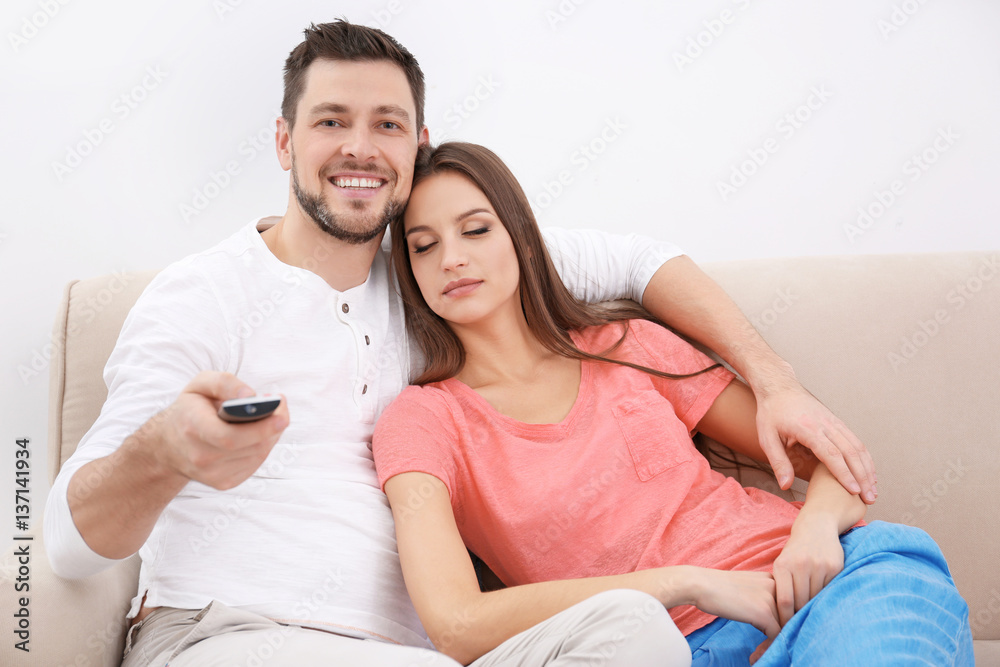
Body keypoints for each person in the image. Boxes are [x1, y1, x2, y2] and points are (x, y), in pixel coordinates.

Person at [44, 19, 873, 666]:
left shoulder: (434, 276)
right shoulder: (204, 294)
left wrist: (773, 379)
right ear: (284, 142)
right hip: (227, 633)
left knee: (639, 636)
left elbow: (638, 259)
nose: (360, 148)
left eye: (387, 124)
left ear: (417, 145)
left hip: (415, 649)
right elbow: (64, 543)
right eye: (331, 121)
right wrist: (166, 452)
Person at [372, 141, 974, 666]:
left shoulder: (626, 342)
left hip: (836, 583)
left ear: (523, 241)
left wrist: (815, 530)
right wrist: (690, 584)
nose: (452, 257)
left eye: (475, 230)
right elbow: (456, 624)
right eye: (424, 247)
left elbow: (833, 464)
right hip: (674, 648)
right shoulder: (423, 420)